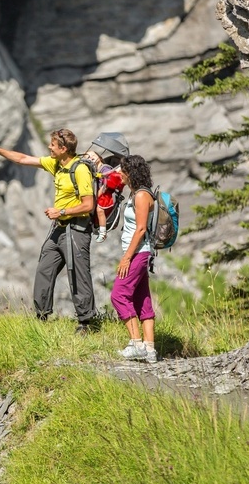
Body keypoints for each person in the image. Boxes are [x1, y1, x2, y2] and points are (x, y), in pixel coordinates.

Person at [0, 129, 99, 333]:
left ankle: (86, 323)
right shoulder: (56, 164)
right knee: (44, 269)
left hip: (77, 229)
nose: (49, 147)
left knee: (78, 274)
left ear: (63, 149)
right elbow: (22, 159)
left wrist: (61, 211)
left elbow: (89, 204)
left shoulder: (80, 170)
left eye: (53, 144)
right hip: (59, 228)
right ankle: (41, 317)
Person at [111, 154, 157, 362]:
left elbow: (140, 229)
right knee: (142, 299)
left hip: (138, 252)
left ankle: (136, 344)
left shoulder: (141, 196)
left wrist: (127, 258)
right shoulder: (136, 193)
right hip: (140, 252)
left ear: (131, 173)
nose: (119, 173)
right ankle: (150, 349)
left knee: (119, 295)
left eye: (123, 170)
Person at [84, 150, 125, 242]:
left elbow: (107, 182)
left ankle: (102, 232)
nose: (91, 158)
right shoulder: (96, 170)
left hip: (106, 195)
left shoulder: (105, 168)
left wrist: (99, 192)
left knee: (100, 210)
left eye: (93, 155)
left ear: (99, 156)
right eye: (88, 158)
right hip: (102, 194)